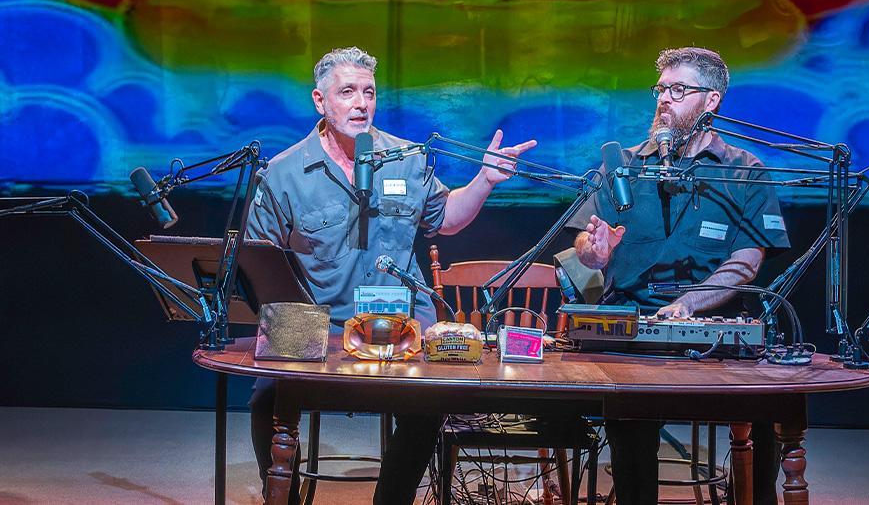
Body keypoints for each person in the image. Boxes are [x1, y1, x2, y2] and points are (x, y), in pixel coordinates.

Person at [245, 46, 536, 504]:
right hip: (319, 325)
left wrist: (483, 181)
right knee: (265, 400)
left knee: (430, 404)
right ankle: (285, 498)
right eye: (347, 92)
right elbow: (258, 258)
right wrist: (291, 326)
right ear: (320, 101)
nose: (361, 103)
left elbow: (446, 219)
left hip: (401, 325)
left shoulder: (407, 158)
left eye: (369, 92)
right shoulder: (284, 172)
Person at [568, 47, 790, 505]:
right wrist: (594, 252)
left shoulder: (745, 170)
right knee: (630, 420)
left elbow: (748, 260)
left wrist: (689, 303)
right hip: (630, 330)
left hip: (714, 333)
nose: (664, 99)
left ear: (712, 100)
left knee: (768, 409)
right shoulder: (623, 165)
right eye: (661, 89)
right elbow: (585, 246)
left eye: (678, 89)